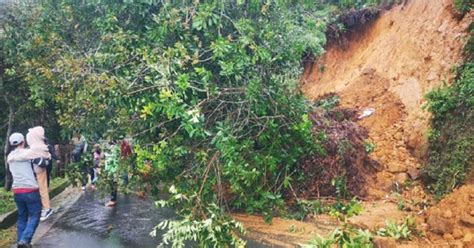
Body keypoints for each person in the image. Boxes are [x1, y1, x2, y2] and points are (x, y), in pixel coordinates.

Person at [7, 133, 42, 248]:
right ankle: (24, 240)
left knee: (22, 217)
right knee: (35, 215)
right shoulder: (28, 153)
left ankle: (21, 242)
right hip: (30, 189)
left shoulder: (9, 156)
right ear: (23, 141)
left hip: (17, 191)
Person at [13, 127, 54, 221]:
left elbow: (23, 156)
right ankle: (45, 208)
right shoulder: (42, 146)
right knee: (42, 189)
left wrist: (12, 157)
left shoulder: (35, 148)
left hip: (37, 172)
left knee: (41, 190)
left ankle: (46, 209)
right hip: (39, 171)